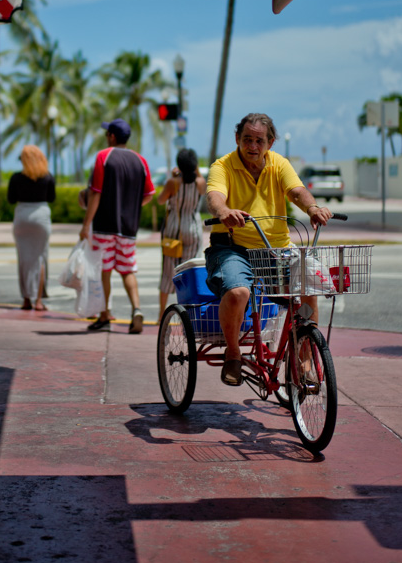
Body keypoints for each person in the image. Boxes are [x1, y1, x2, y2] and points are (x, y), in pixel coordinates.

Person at [205, 113, 332, 386]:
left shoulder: (279, 164)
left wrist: (312, 208)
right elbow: (215, 197)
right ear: (237, 139)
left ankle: (304, 359)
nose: (252, 145)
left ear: (270, 143)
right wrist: (224, 211)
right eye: (247, 139)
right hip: (232, 248)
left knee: (309, 287)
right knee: (238, 292)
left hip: (276, 251)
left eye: (259, 141)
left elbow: (297, 191)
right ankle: (234, 354)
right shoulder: (223, 166)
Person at [80, 118, 155, 333]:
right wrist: (130, 207)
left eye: (107, 134)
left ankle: (104, 315)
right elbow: (149, 194)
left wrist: (86, 225)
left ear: (112, 136)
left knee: (105, 271)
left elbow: (95, 194)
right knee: (127, 270)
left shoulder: (104, 157)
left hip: (104, 225)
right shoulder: (140, 160)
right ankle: (136, 309)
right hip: (129, 228)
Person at [157, 148, 207, 322]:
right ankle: (191, 316)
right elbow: (198, 177)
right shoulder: (201, 182)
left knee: (167, 273)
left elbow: (161, 200)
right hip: (193, 229)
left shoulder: (173, 183)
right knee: (191, 272)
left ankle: (161, 316)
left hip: (174, 232)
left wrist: (173, 176)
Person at [7, 145, 56, 311]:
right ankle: (39, 301)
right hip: (41, 216)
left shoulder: (16, 178)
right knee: (41, 258)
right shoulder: (48, 177)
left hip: (22, 216)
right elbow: (52, 197)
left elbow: (11, 199)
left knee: (24, 259)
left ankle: (26, 299)